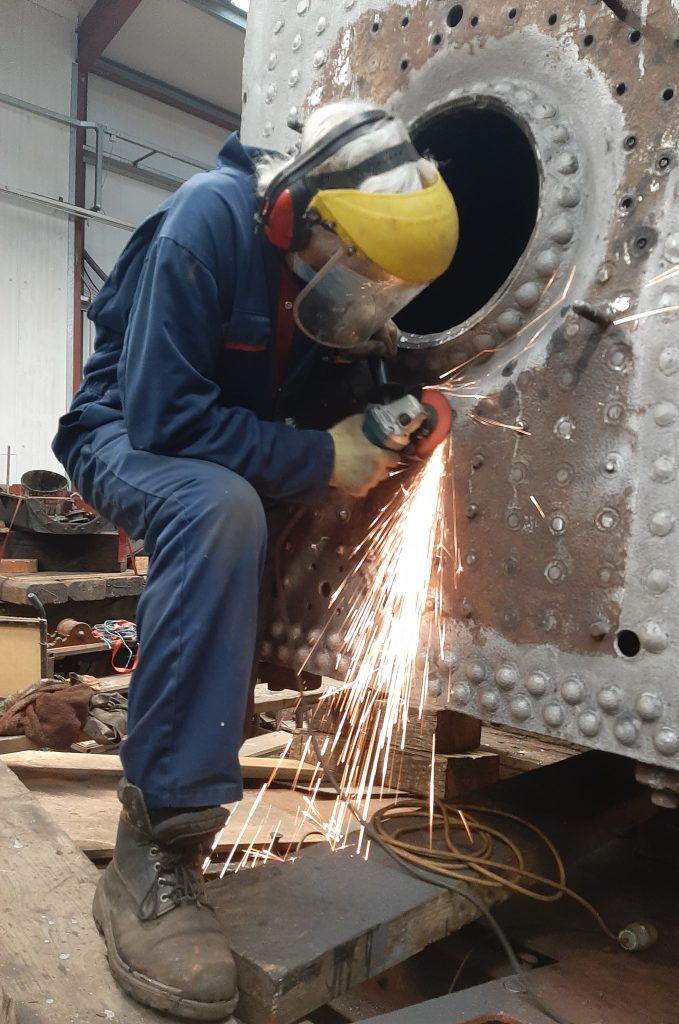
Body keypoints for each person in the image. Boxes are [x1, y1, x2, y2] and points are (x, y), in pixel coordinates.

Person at [52, 99, 458, 1020]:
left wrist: (411, 415)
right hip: (128, 427)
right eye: (348, 265)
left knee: (273, 497)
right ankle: (153, 858)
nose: (359, 288)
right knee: (222, 507)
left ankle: (198, 749)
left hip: (231, 431)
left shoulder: (343, 276)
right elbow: (165, 419)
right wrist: (321, 459)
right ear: (293, 215)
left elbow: (364, 378)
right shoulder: (207, 222)